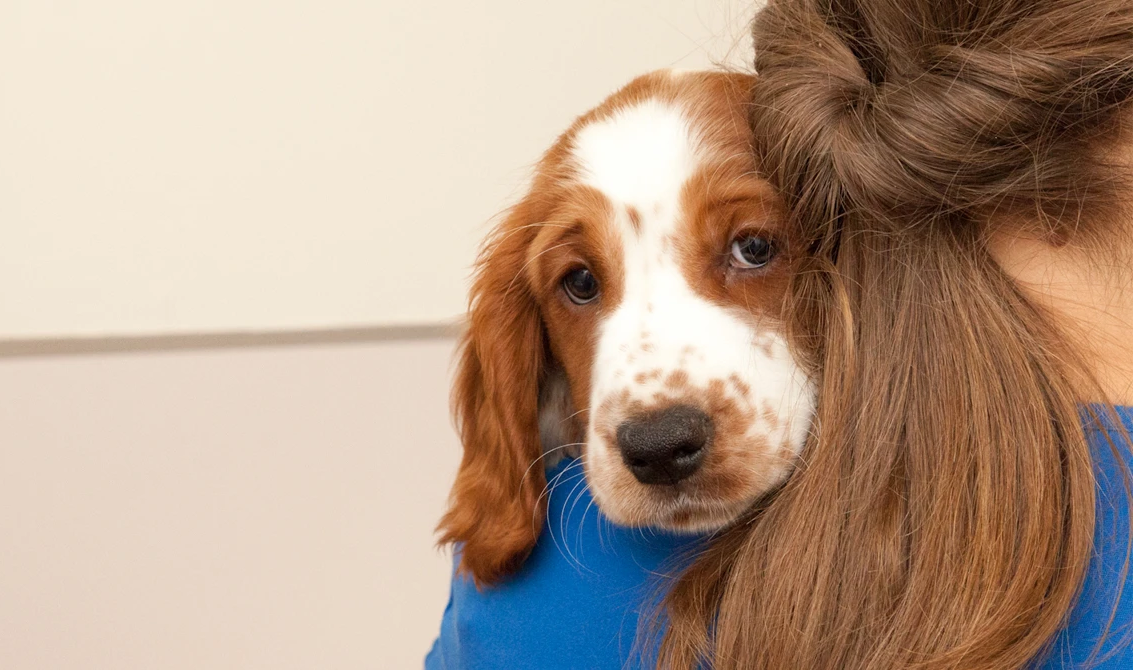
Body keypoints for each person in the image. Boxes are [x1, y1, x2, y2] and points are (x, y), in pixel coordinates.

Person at [427, 0, 1133, 667]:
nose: (658, 405)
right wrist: (499, 489)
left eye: (754, 249)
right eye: (581, 283)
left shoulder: (519, 610)